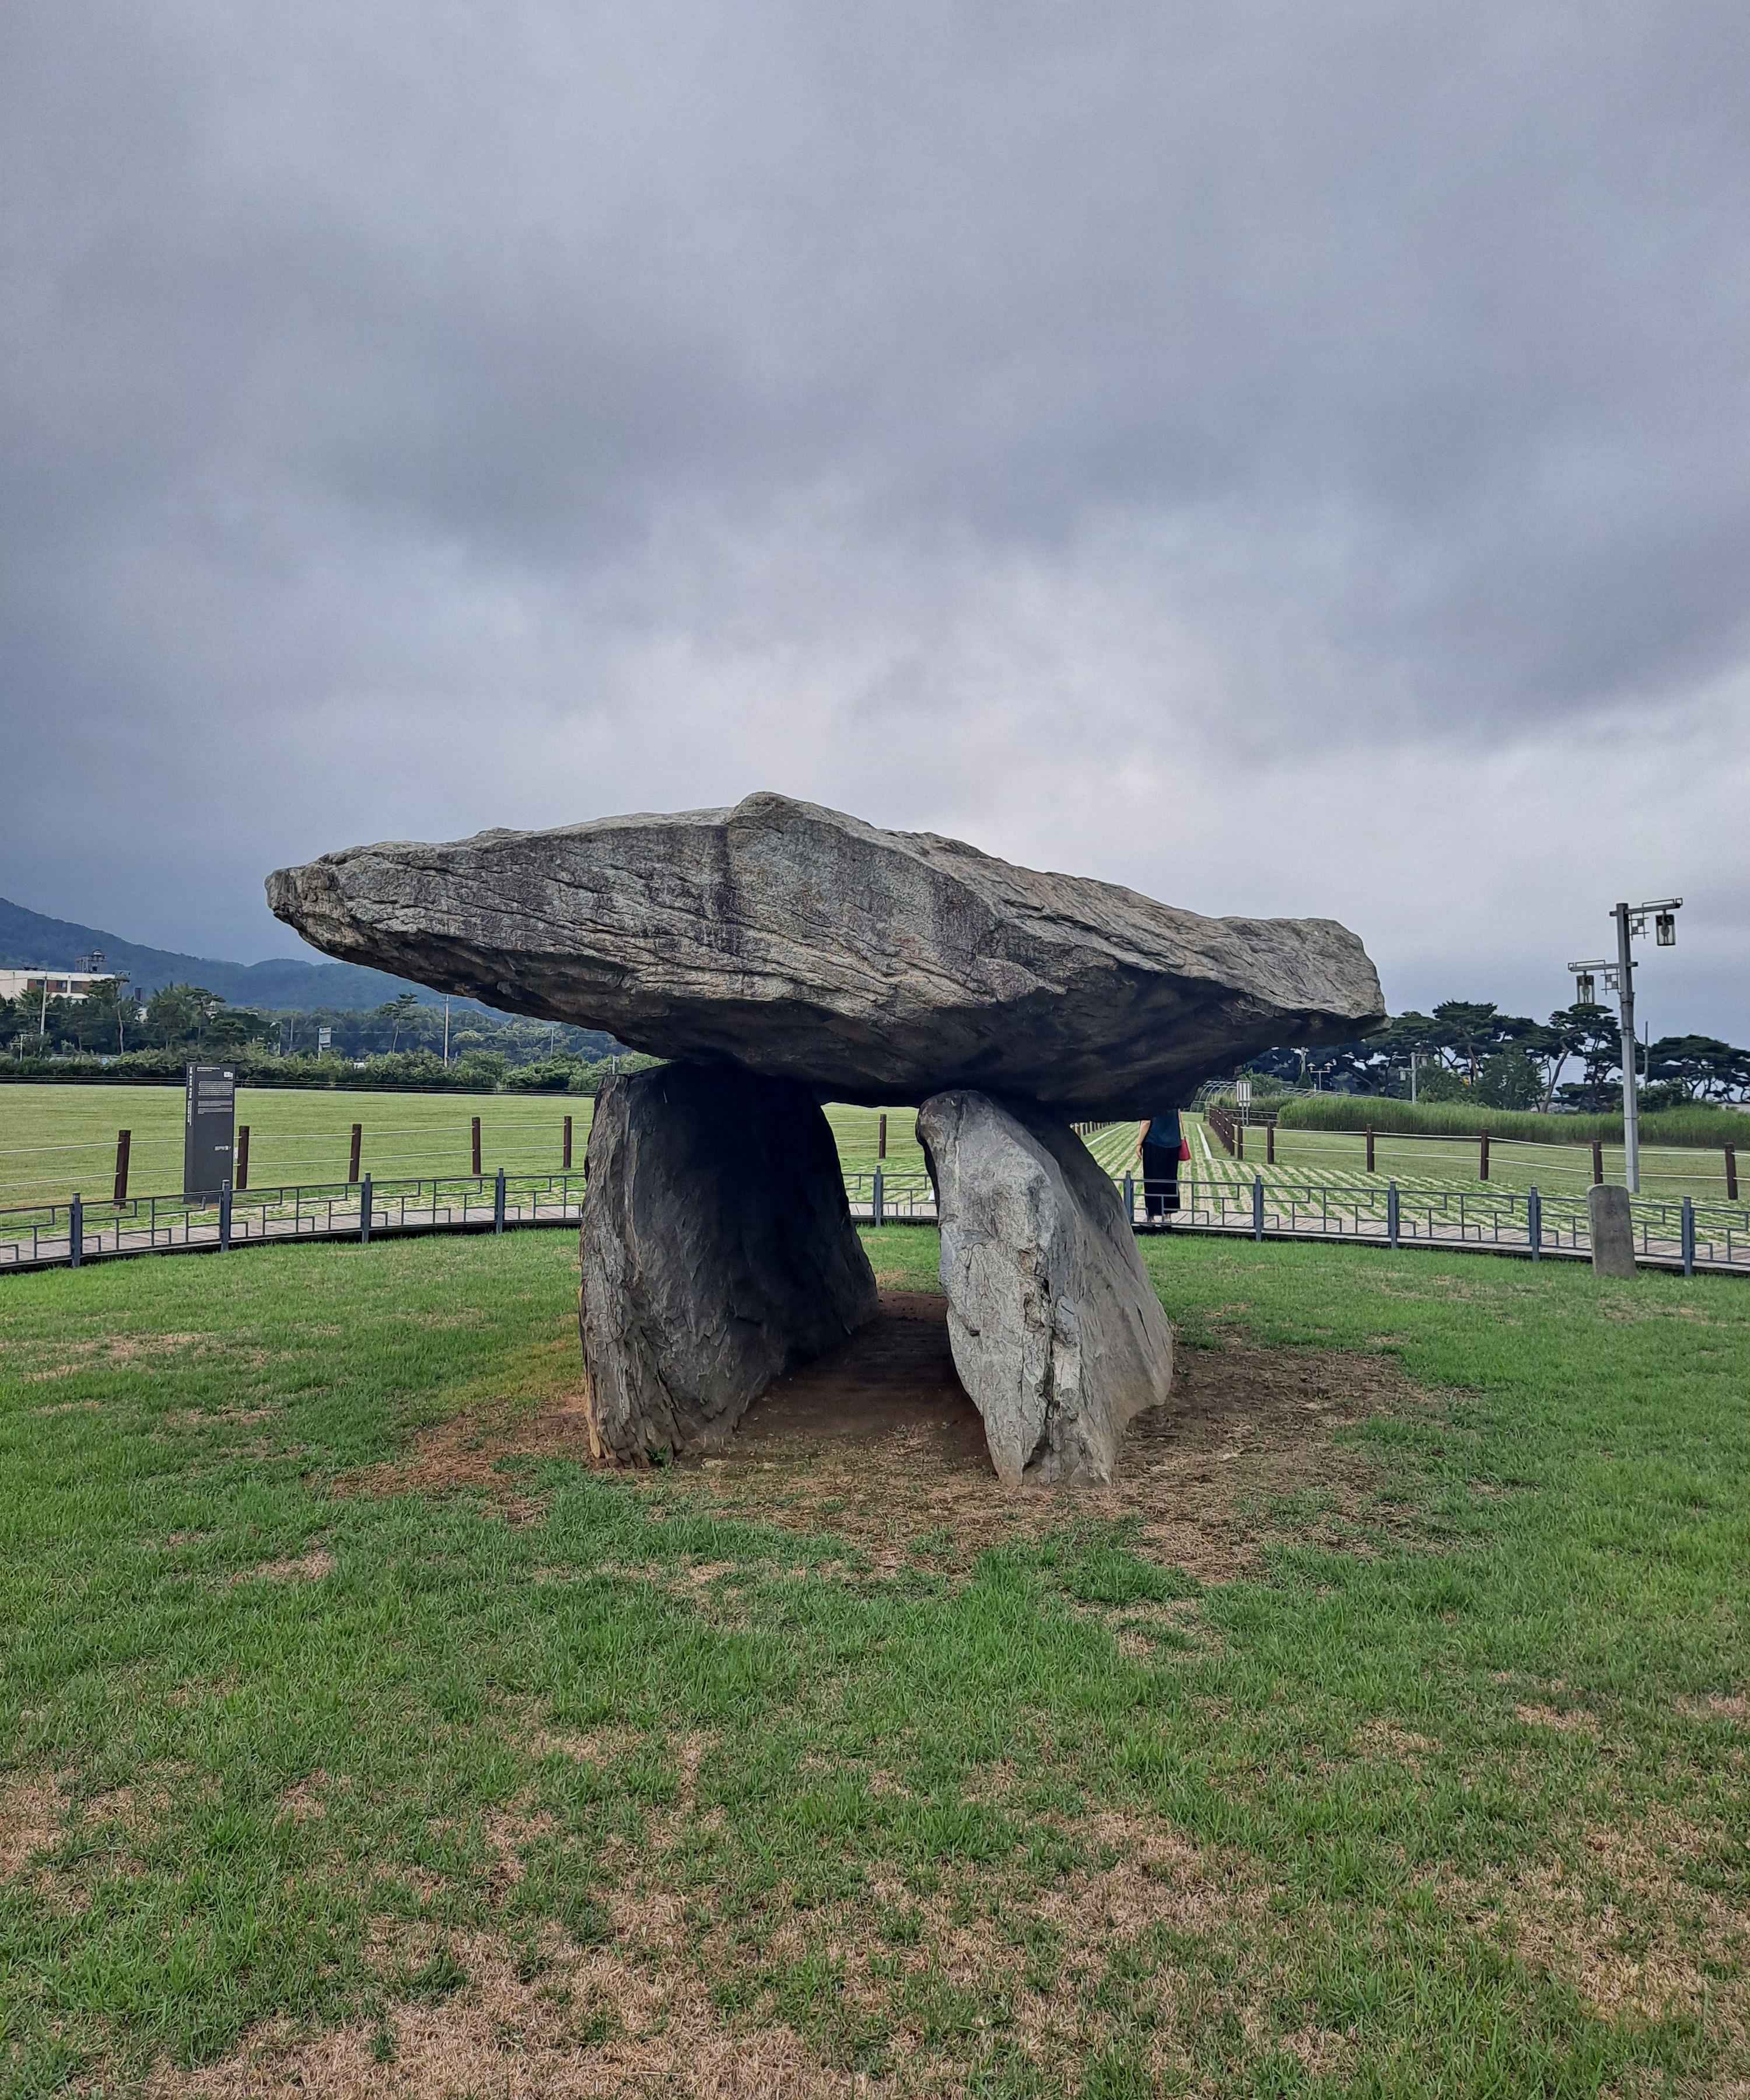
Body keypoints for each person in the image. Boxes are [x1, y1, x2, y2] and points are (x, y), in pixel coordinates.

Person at [1140, 1106, 1185, 1220]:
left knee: (1152, 1180)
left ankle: (1151, 1216)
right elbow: (1179, 1120)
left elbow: (1146, 1122)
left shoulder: (1151, 1098)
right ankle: (1168, 1216)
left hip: (1153, 1143)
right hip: (1173, 1143)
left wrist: (1138, 1143)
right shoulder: (1174, 1098)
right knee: (1170, 1179)